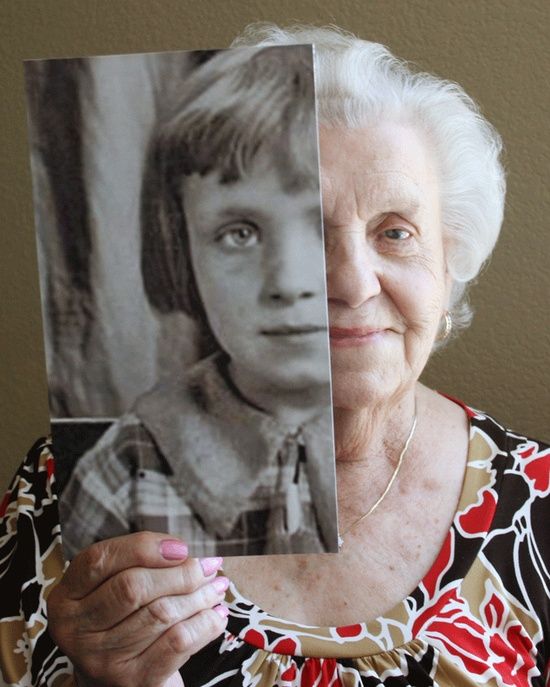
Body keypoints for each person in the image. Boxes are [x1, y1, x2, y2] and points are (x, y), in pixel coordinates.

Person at [1, 23, 549, 687]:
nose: (348, 283)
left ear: (450, 260)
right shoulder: (79, 487)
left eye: (395, 232)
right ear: (183, 262)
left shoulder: (537, 502)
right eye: (245, 233)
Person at [56, 43, 338, 560]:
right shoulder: (125, 472)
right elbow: (59, 634)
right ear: (180, 251)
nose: (290, 283)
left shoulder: (429, 451)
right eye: (239, 233)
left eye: (322, 226)